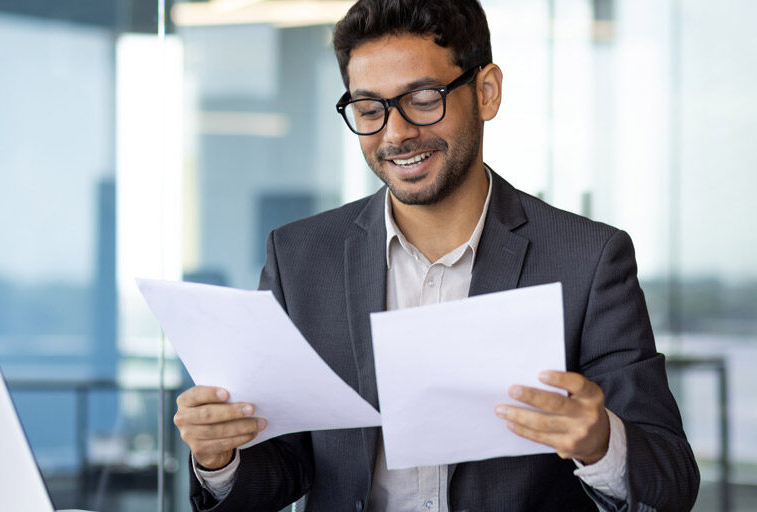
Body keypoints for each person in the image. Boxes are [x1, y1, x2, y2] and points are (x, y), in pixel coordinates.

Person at [173, 0, 700, 510]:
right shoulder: (301, 256)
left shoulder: (588, 258)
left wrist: (601, 441)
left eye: (424, 98)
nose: (397, 133)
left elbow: (671, 483)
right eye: (368, 108)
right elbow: (288, 465)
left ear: (487, 92)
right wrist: (221, 458)